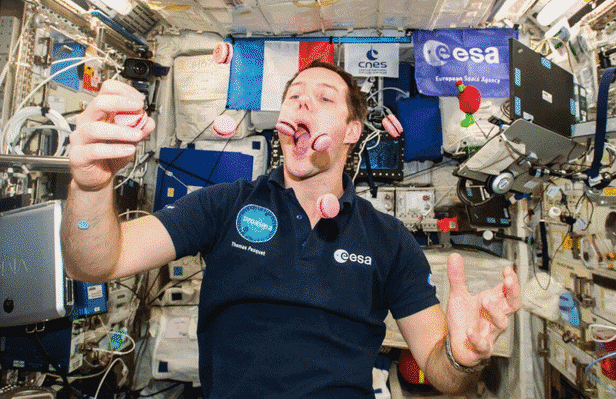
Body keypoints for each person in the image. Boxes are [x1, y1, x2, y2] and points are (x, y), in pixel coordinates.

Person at [62, 60, 521, 398]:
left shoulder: (390, 241)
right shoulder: (223, 204)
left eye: (325, 98)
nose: (303, 101)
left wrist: (461, 356)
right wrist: (89, 186)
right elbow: (95, 263)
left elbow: (444, 374)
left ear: (352, 131)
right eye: (295, 96)